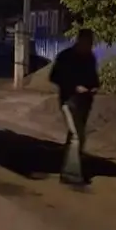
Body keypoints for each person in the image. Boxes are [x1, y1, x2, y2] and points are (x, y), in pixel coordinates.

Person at [49, 28, 100, 186]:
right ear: (79, 41)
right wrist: (75, 86)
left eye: (91, 43)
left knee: (75, 136)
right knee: (77, 136)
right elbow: (54, 76)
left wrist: (94, 87)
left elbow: (94, 78)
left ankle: (68, 169)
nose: (89, 46)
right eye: (87, 42)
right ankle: (71, 174)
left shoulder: (90, 58)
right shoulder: (65, 57)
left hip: (85, 102)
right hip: (68, 101)